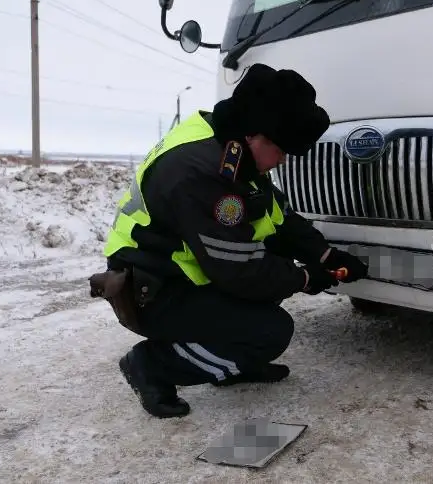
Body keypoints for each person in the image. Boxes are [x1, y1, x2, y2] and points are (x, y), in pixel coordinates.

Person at [88, 63, 369, 419]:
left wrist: (325, 254)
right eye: (282, 151)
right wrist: (306, 278)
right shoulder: (200, 171)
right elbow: (240, 269)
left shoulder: (232, 151)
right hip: (150, 290)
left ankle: (231, 362)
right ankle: (153, 365)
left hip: (180, 276)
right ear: (256, 135)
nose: (281, 161)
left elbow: (277, 222)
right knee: (271, 331)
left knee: (267, 293)